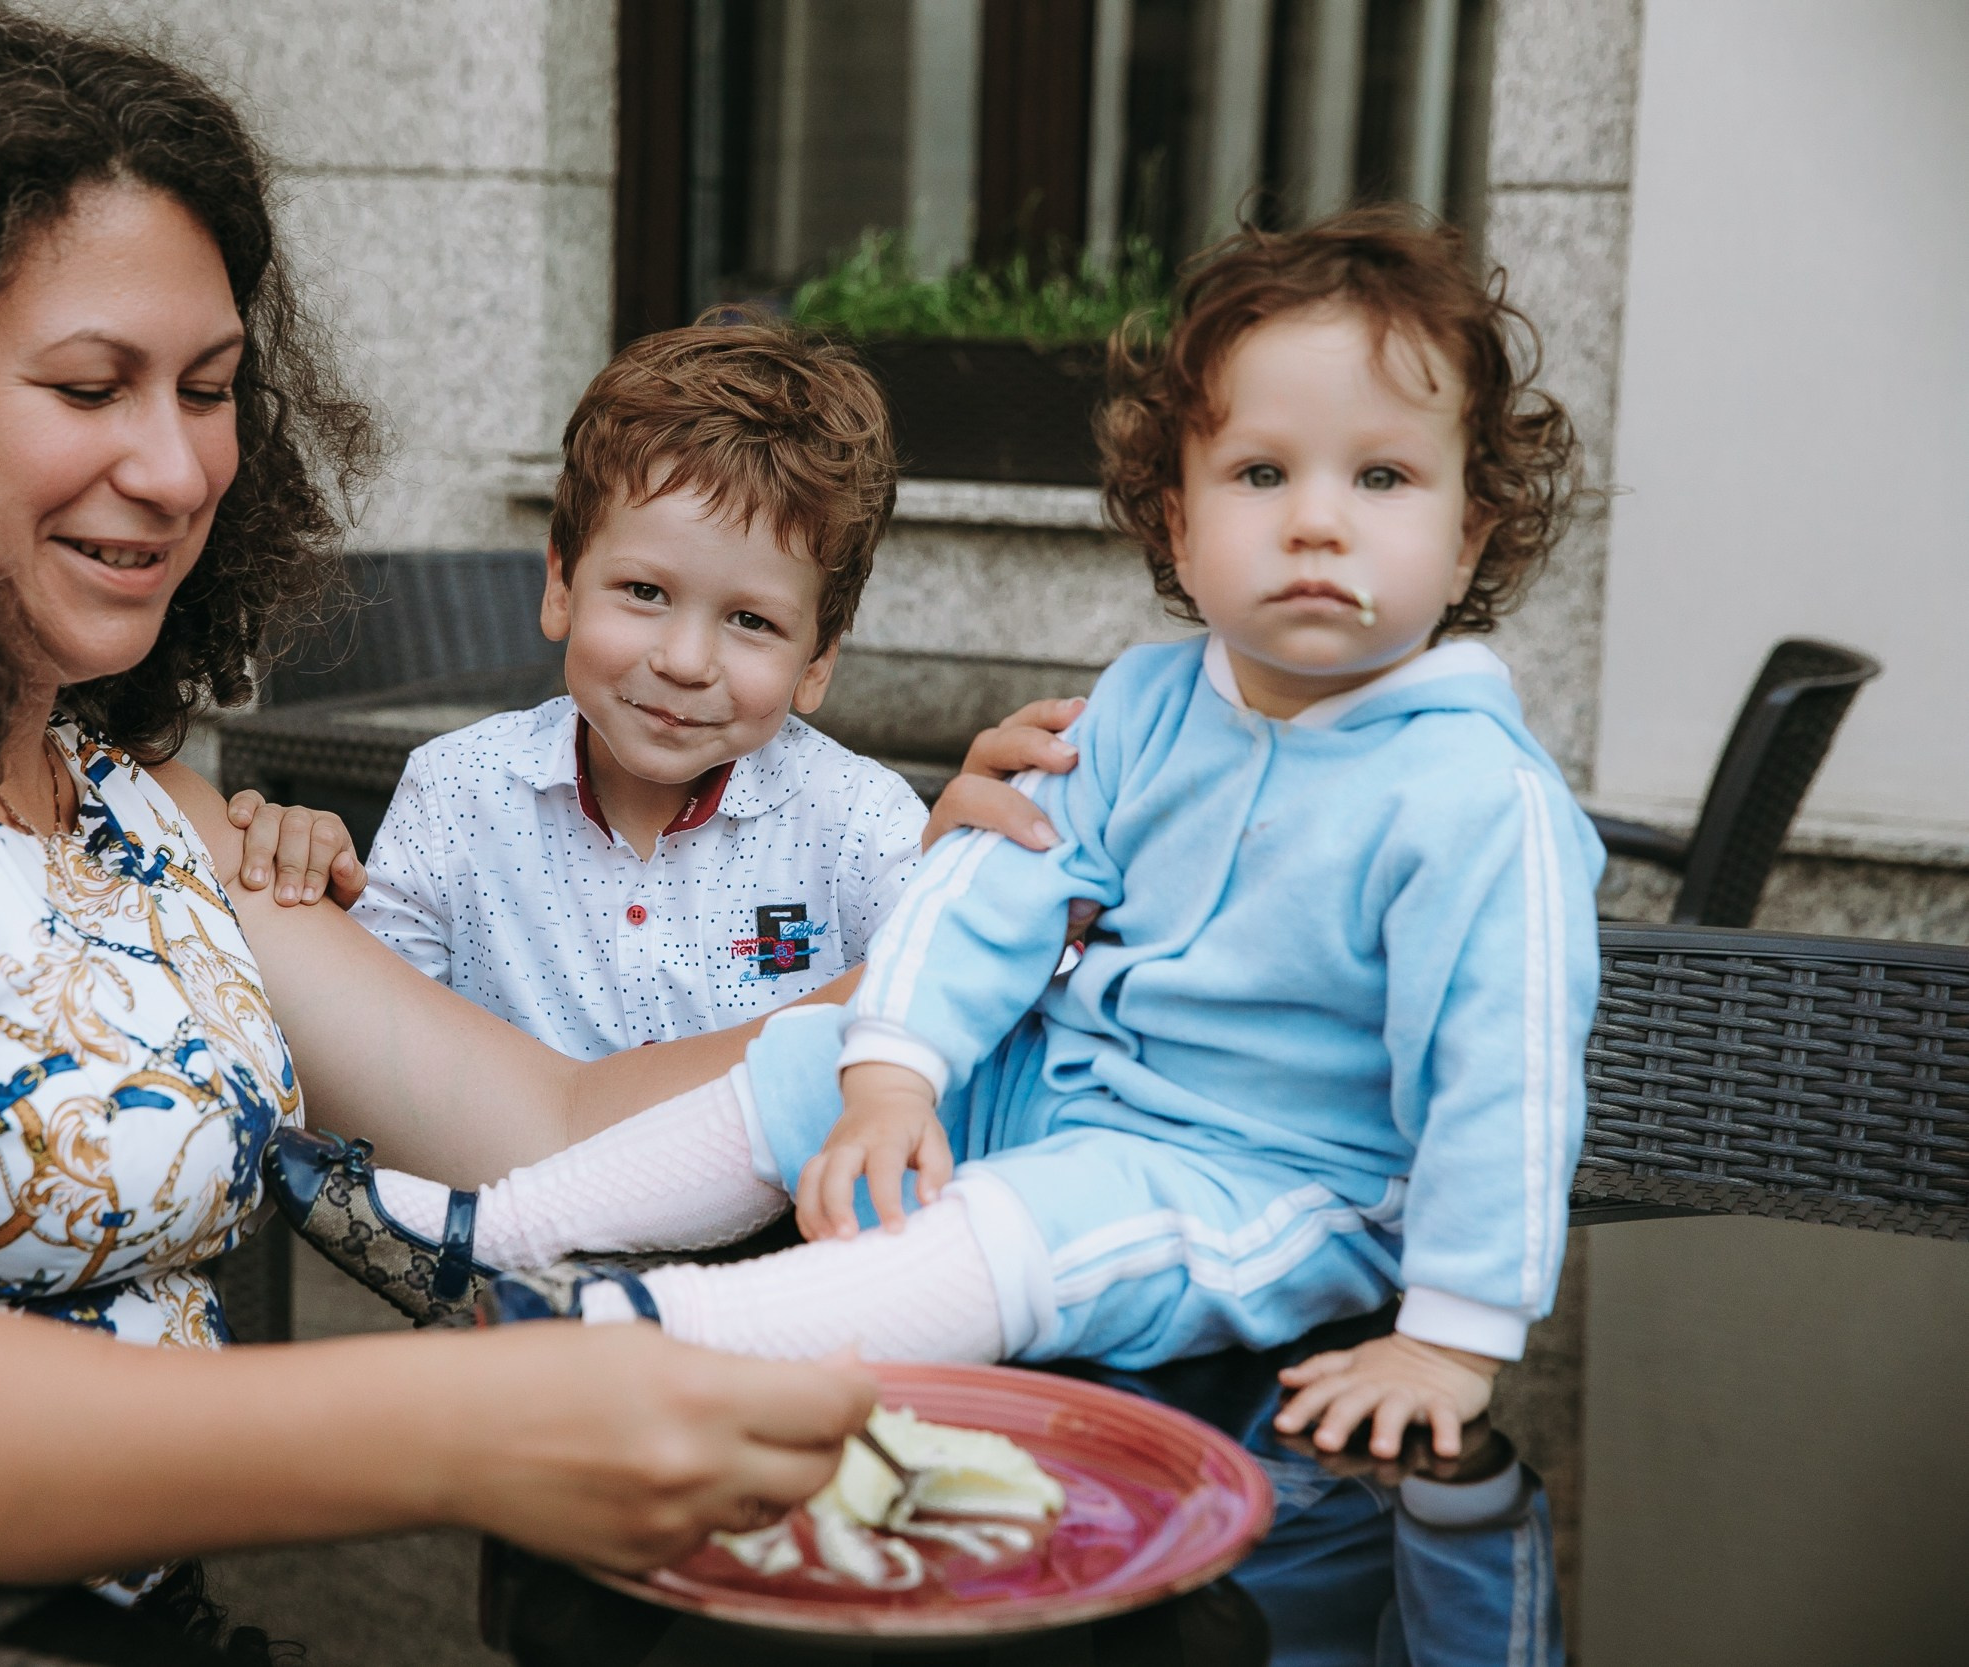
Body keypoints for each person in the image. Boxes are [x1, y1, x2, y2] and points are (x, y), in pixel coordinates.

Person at [0, 6, 880, 1657]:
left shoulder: (134, 802)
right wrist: (466, 1425)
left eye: (213, 389)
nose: (175, 465)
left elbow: (546, 1118)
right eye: (92, 386)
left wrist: (1007, 938)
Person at [281, 208, 1604, 1462]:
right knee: (813, 1049)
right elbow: (991, 886)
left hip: (1265, 1183)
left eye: (1383, 476)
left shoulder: (1476, 797)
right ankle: (499, 1228)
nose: (1319, 516)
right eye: (1263, 472)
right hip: (1064, 1090)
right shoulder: (1146, 701)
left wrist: (1452, 1338)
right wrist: (896, 1070)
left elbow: (1508, 1080)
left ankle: (653, 1331)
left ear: (1468, 526)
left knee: (1017, 1230)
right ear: (1182, 524)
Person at [335, 321, 928, 1060]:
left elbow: (953, 1002)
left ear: (817, 661)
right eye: (645, 590)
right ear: (561, 584)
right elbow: (372, 1053)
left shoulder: (860, 826)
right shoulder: (454, 796)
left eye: (751, 620)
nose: (685, 660)